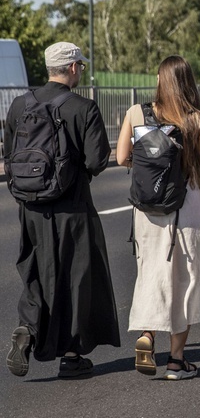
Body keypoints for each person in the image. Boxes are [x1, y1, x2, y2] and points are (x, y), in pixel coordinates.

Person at [4, 42, 120, 378]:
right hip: (72, 205)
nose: (81, 71)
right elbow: (98, 160)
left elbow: (10, 155)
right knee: (75, 277)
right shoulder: (83, 107)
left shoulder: (19, 105)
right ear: (71, 67)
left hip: (30, 206)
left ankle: (28, 328)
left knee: (35, 271)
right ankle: (71, 356)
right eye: (80, 66)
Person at [116, 55, 200, 380]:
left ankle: (147, 334)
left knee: (151, 271)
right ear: (188, 81)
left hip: (147, 210)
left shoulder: (136, 113)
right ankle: (176, 362)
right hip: (187, 205)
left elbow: (122, 156)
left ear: (159, 80)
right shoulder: (195, 119)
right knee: (187, 278)